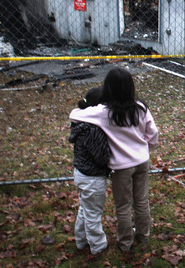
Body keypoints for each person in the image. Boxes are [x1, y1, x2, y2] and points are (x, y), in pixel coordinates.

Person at [70, 67, 158, 252]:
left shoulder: (103, 112)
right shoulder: (141, 108)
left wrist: (88, 105)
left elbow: (74, 114)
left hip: (121, 167)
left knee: (123, 205)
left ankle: (125, 242)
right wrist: (146, 148)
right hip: (142, 162)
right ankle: (143, 236)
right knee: (141, 201)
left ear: (107, 88)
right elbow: (153, 133)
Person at [69, 87, 111, 255]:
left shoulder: (80, 125)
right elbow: (101, 156)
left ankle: (80, 240)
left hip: (81, 174)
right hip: (92, 178)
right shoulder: (93, 130)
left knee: (85, 209)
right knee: (93, 213)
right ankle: (98, 246)